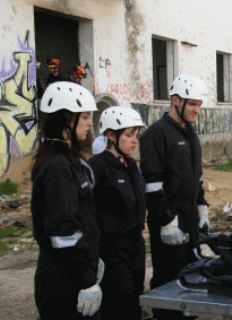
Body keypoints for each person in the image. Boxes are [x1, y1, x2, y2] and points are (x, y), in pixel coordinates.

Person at [140, 74, 209, 320]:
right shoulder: (155, 134)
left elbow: (196, 178)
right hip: (168, 224)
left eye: (199, 105)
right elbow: (152, 184)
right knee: (168, 278)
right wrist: (166, 221)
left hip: (189, 219)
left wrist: (202, 209)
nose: (196, 110)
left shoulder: (190, 133)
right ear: (175, 100)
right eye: (192, 104)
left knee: (191, 274)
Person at [31, 81, 102, 320]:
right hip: (64, 280)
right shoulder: (57, 166)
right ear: (64, 121)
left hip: (73, 273)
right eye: (84, 117)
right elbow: (62, 230)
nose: (90, 123)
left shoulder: (68, 158)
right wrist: (86, 278)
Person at [88, 106, 146, 320]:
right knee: (118, 302)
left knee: (135, 302)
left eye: (136, 135)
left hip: (136, 245)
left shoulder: (130, 164)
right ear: (111, 135)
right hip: (112, 249)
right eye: (129, 135)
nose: (135, 141)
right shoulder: (97, 166)